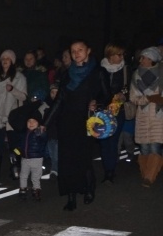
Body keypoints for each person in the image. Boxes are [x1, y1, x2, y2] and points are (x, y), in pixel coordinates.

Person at [45, 39, 109, 211]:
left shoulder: (98, 72)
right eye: (73, 51)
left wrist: (97, 102)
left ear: (88, 51)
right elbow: (59, 100)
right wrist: (46, 123)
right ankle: (71, 196)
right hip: (66, 122)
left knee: (83, 159)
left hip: (86, 121)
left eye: (80, 49)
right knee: (67, 161)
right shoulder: (67, 74)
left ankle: (89, 188)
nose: (76, 53)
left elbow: (107, 95)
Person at [0, 49, 27, 181]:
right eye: (3, 59)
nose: (5, 61)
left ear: (12, 61)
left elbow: (23, 96)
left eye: (7, 58)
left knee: (14, 146)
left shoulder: (19, 77)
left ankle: (15, 169)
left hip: (12, 117)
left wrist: (12, 89)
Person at [129, 47, 163, 187]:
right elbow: (133, 97)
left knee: (155, 147)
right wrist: (148, 98)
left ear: (151, 59)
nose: (141, 60)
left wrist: (157, 98)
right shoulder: (136, 75)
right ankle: (146, 174)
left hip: (158, 116)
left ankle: (149, 177)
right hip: (142, 115)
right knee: (144, 148)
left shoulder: (162, 74)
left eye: (144, 57)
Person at [99, 43, 129, 184]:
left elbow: (129, 88)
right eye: (119, 54)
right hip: (102, 111)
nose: (122, 57)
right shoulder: (99, 69)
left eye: (122, 54)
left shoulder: (125, 70)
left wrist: (123, 95)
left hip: (118, 111)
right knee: (104, 141)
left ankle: (111, 171)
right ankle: (107, 170)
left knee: (114, 141)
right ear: (110, 55)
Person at [16, 108, 48, 201]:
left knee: (36, 176)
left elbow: (44, 138)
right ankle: (22, 190)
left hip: (36, 159)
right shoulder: (24, 133)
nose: (31, 123)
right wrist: (16, 152)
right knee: (23, 175)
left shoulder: (39, 133)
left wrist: (42, 132)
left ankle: (36, 190)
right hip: (25, 158)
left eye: (34, 121)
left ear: (38, 123)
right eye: (29, 121)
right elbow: (19, 145)